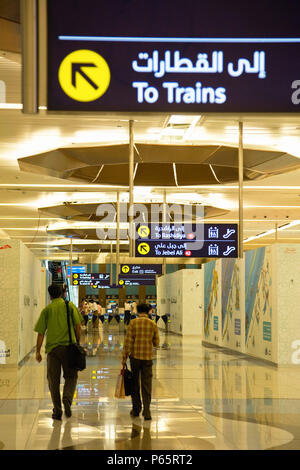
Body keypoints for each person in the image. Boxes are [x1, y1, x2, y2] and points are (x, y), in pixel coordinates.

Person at [34, 284, 83, 421]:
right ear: (62, 293)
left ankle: (57, 410)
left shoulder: (47, 310)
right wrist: (77, 342)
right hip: (69, 348)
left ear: (50, 295)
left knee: (53, 381)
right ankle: (67, 398)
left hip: (53, 350)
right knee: (71, 376)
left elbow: (40, 333)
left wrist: (38, 351)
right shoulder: (70, 306)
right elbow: (78, 326)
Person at [122, 303, 160, 421]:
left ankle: (136, 409)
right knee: (146, 385)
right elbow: (157, 343)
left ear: (137, 311)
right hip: (147, 358)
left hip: (135, 358)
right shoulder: (153, 324)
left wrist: (124, 358)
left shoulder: (133, 323)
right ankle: (147, 411)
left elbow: (128, 342)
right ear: (148, 311)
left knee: (135, 384)